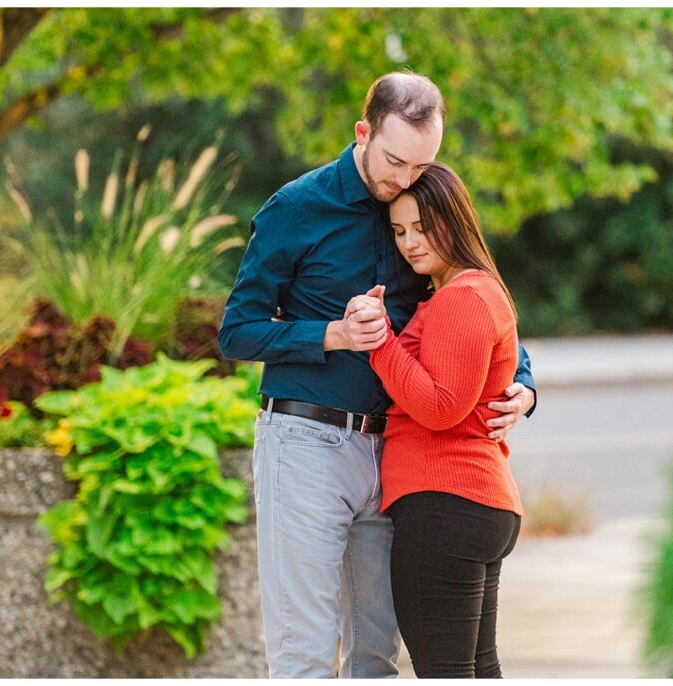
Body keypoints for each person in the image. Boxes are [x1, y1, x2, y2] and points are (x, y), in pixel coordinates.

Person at [218, 71, 536, 679]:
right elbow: (238, 331)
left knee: (376, 657)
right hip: (307, 444)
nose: (404, 179)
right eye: (394, 161)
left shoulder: (417, 212)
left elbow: (470, 297)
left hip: (395, 457)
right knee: (305, 651)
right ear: (363, 132)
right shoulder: (296, 208)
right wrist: (331, 334)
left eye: (421, 166)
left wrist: (522, 383)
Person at [347, 162, 523, 678]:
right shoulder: (476, 291)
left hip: (446, 502)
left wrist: (379, 341)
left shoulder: (462, 297)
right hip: (472, 504)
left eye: (423, 227)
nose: (409, 243)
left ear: (455, 217)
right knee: (474, 670)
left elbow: (441, 406)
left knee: (445, 674)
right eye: (399, 230)